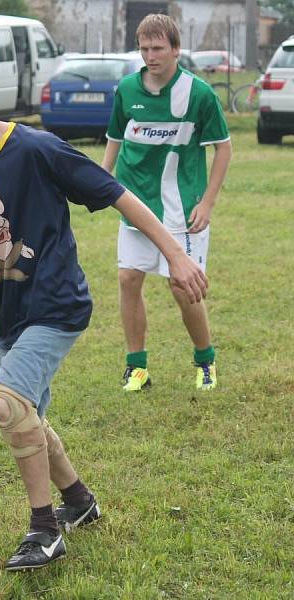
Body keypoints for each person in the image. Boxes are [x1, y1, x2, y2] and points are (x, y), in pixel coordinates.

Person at [0, 59, 207, 569]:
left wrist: (175, 255)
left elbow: (120, 196)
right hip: (10, 310)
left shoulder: (38, 149)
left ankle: (44, 530)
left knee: (8, 405)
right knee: (28, 418)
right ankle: (80, 502)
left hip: (58, 303)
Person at [101, 14, 232, 392]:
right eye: (144, 48)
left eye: (158, 48)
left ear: (176, 49)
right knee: (128, 278)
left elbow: (223, 149)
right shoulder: (126, 89)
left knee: (183, 286)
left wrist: (207, 203)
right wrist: (102, 178)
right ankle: (136, 367)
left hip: (181, 210)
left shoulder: (199, 94)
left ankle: (205, 360)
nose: (150, 56)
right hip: (133, 203)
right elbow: (115, 137)